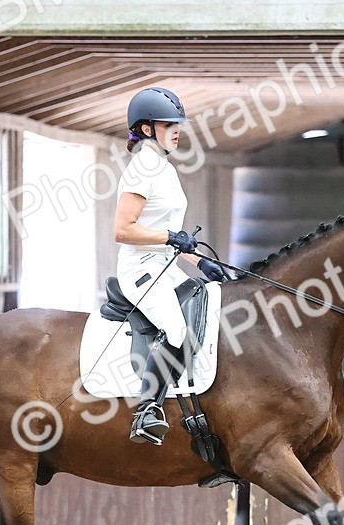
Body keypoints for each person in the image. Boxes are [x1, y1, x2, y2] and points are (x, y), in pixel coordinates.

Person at [114, 87, 230, 446]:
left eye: (179, 124)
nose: (178, 130)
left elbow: (172, 238)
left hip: (166, 267)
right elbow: (123, 230)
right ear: (147, 129)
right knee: (177, 330)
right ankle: (147, 410)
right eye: (169, 124)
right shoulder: (141, 169)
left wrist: (200, 262)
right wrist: (169, 237)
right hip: (140, 271)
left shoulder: (162, 167)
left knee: (212, 308)